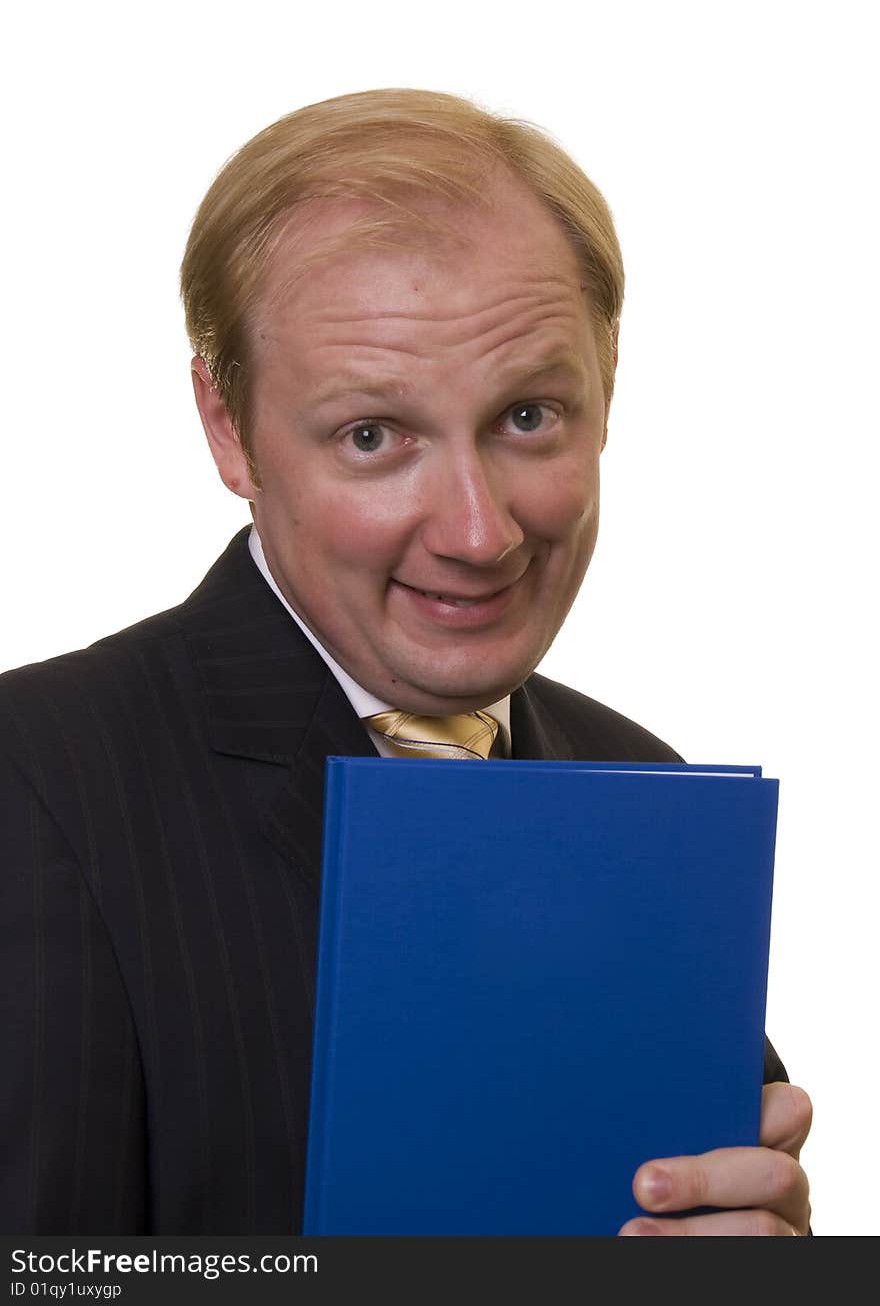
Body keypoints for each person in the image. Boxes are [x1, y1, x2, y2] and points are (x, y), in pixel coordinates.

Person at [0, 87, 811, 1236]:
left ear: (608, 382)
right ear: (228, 427)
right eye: (373, 435)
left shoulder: (639, 784)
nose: (478, 532)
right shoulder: (36, 784)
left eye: (529, 415)